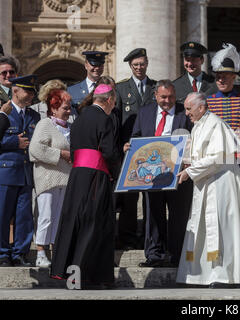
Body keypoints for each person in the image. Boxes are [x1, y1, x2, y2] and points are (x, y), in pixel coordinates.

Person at [176, 92, 240, 287]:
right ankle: (201, 275)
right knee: (205, 225)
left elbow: (217, 157)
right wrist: (179, 164)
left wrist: (190, 172)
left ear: (201, 108)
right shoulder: (198, 126)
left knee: (222, 227)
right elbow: (197, 155)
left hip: (223, 184)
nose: (186, 113)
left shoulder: (216, 124)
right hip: (207, 181)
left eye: (189, 109)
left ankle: (224, 275)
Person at [50, 84, 120, 289]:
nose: (112, 107)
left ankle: (71, 275)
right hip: (96, 177)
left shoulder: (79, 118)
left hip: (77, 176)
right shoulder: (104, 119)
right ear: (108, 100)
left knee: (76, 222)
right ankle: (90, 277)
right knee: (94, 224)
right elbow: (108, 152)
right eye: (113, 103)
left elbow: (73, 150)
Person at [126, 79, 193, 267]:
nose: (167, 100)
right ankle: (154, 254)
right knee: (153, 215)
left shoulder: (184, 112)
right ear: (156, 95)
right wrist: (130, 147)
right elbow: (137, 136)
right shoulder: (145, 112)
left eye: (171, 97)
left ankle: (176, 255)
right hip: (152, 175)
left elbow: (195, 138)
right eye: (163, 97)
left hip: (179, 175)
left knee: (178, 216)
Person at [207, 43, 240, 224]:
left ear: (234, 77)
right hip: (215, 160)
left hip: (239, 160)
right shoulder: (208, 102)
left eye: (225, 76)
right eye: (218, 76)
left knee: (239, 202)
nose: (221, 80)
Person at [115, 48, 157, 250]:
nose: (139, 68)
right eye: (135, 65)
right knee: (129, 199)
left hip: (153, 152)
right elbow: (117, 122)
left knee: (151, 200)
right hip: (129, 152)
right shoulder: (121, 89)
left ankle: (149, 237)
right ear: (130, 67)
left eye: (142, 64)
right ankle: (128, 238)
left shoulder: (156, 87)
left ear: (147, 63)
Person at [0, 75, 40, 267]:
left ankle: (19, 253)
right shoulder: (4, 113)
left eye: (33, 91)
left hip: (26, 172)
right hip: (6, 172)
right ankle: (2, 254)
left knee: (24, 216)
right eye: (28, 91)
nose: (31, 95)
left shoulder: (34, 116)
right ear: (15, 91)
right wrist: (14, 142)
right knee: (2, 214)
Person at [29, 89, 72, 267]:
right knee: (45, 216)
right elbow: (35, 150)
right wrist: (61, 153)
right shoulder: (45, 124)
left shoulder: (70, 127)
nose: (69, 111)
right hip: (47, 178)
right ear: (53, 109)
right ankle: (40, 252)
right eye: (65, 108)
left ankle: (56, 253)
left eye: (70, 108)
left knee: (58, 218)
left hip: (65, 178)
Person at [67, 50, 109, 116]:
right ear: (86, 65)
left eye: (100, 65)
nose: (97, 68)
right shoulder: (72, 91)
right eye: (94, 64)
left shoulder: (109, 89)